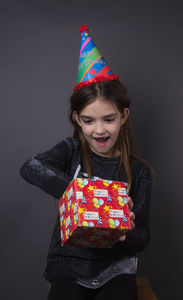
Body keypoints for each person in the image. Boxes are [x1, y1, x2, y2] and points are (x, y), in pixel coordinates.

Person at [19, 25, 153, 300]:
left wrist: (123, 229)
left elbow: (142, 239)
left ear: (124, 116)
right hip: (67, 264)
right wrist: (86, 195)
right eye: (89, 120)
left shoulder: (139, 172)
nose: (99, 130)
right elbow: (30, 167)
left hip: (116, 267)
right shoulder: (70, 151)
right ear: (77, 119)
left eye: (109, 119)